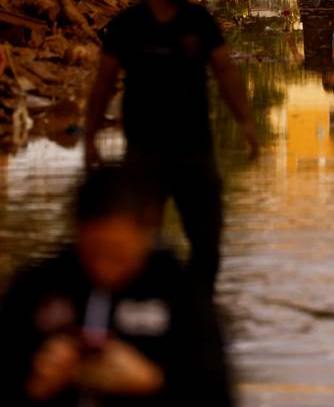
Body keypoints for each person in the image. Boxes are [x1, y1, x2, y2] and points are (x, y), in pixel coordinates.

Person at [85, 0, 259, 298]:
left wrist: (246, 123)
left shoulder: (199, 22)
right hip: (144, 154)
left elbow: (226, 73)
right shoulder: (129, 25)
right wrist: (89, 138)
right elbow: (102, 83)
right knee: (141, 242)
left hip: (194, 150)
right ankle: (145, 310)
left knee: (207, 244)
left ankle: (198, 309)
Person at [0, 165, 232, 405]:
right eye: (93, 252)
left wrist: (152, 382)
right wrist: (38, 386)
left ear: (147, 231)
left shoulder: (179, 290)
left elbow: (217, 394)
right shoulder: (37, 286)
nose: (103, 268)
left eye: (117, 253)